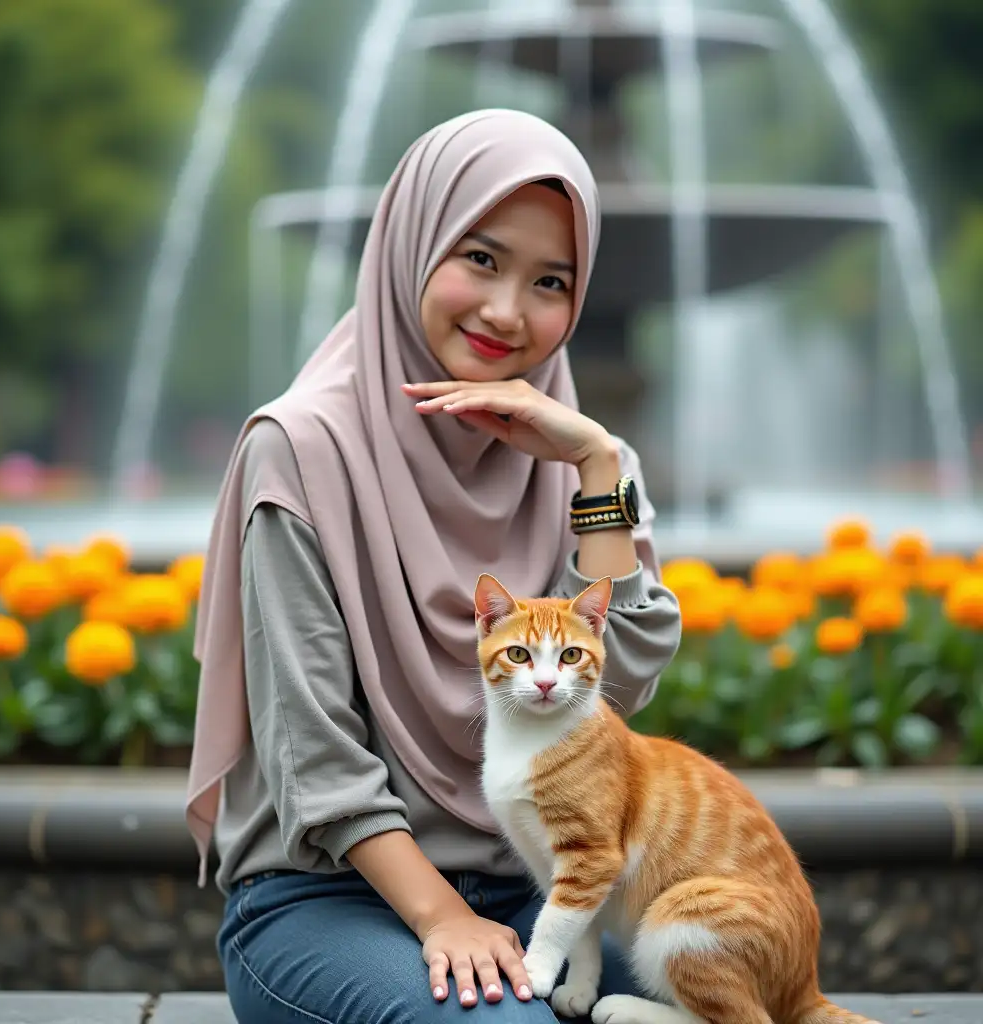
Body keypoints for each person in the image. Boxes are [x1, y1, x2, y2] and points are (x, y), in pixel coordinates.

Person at [187, 108, 682, 1024]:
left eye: (551, 281)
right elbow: (314, 757)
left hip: (545, 884)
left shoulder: (585, 459)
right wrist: (442, 916)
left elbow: (628, 680)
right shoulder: (299, 449)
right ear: (412, 239)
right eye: (481, 259)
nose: (505, 312)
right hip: (331, 902)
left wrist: (597, 469)